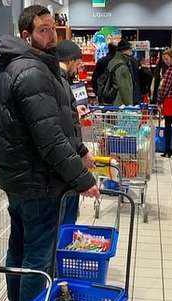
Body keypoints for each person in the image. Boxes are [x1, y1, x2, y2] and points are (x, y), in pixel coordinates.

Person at [0, 5, 99, 301]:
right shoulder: (33, 71)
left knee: (20, 250)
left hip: (20, 179)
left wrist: (79, 151)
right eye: (43, 30)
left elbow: (51, 126)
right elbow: (49, 139)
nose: (51, 35)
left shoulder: (20, 67)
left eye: (53, 28)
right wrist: (82, 178)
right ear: (26, 35)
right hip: (38, 181)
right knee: (38, 257)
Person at [57, 39, 95, 225]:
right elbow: (66, 128)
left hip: (64, 160)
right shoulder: (61, 83)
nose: (79, 67)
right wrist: (81, 151)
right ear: (70, 60)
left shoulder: (55, 80)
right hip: (65, 164)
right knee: (64, 223)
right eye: (78, 63)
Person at [105, 39, 134, 106]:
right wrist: (130, 107)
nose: (131, 53)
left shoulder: (112, 62)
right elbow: (125, 89)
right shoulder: (122, 67)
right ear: (125, 50)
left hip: (111, 100)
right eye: (130, 50)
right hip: (119, 104)